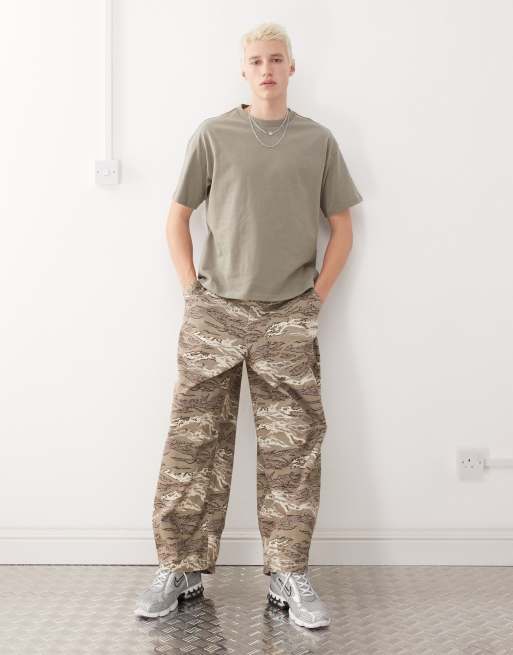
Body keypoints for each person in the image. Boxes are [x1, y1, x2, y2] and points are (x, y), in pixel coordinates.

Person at [134, 21, 363, 630]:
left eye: (277, 59)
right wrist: (191, 290)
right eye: (257, 60)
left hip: (288, 315)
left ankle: (289, 574)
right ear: (244, 70)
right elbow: (177, 218)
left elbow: (342, 228)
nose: (267, 70)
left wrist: (314, 300)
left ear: (292, 67)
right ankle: (179, 568)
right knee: (193, 444)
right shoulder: (213, 135)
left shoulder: (318, 140)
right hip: (215, 311)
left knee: (293, 451)